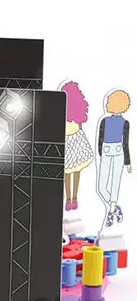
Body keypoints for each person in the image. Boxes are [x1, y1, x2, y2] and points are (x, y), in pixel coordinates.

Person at [97, 89, 131, 227]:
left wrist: (127, 162)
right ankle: (116, 207)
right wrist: (101, 153)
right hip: (106, 150)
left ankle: (110, 213)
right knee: (101, 187)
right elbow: (100, 139)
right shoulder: (104, 121)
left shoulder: (125, 123)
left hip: (118, 151)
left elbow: (125, 143)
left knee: (115, 182)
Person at [60, 82, 94, 211]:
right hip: (73, 141)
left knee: (70, 172)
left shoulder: (68, 113)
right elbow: (80, 127)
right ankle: (72, 199)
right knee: (72, 171)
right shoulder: (75, 113)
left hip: (72, 141)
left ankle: (71, 199)